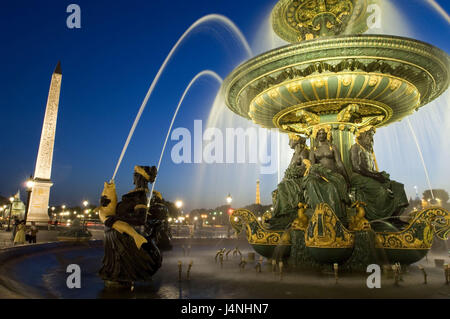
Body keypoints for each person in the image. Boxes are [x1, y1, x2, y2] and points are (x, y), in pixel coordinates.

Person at [98, 165, 162, 286]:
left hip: (124, 238)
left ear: (139, 177)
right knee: (116, 271)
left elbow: (140, 219)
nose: (133, 176)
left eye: (135, 174)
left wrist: (116, 218)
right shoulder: (134, 194)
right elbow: (121, 211)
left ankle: (122, 278)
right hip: (117, 234)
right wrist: (107, 204)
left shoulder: (140, 196)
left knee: (120, 272)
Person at [350, 126, 409, 222]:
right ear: (362, 136)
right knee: (380, 190)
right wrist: (375, 176)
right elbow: (356, 167)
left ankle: (395, 216)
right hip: (358, 177)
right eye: (369, 135)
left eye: (372, 136)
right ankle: (380, 217)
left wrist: (379, 175)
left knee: (397, 186)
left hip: (370, 176)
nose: (371, 139)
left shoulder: (369, 151)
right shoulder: (355, 148)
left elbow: (372, 169)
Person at [303, 125, 351, 224]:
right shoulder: (313, 149)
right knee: (311, 183)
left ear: (327, 134)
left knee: (331, 187)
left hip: (332, 175)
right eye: (319, 133)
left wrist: (346, 179)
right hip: (319, 175)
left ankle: (334, 216)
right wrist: (315, 172)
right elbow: (311, 165)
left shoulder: (332, 147)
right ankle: (317, 213)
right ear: (316, 135)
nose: (321, 135)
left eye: (323, 133)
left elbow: (339, 163)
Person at [267, 134, 309, 229]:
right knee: (277, 190)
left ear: (296, 141)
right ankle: (279, 214)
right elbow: (290, 168)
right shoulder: (295, 154)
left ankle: (286, 212)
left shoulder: (304, 152)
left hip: (299, 179)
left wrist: (293, 173)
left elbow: (305, 167)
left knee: (282, 187)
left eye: (290, 140)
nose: (289, 142)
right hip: (292, 179)